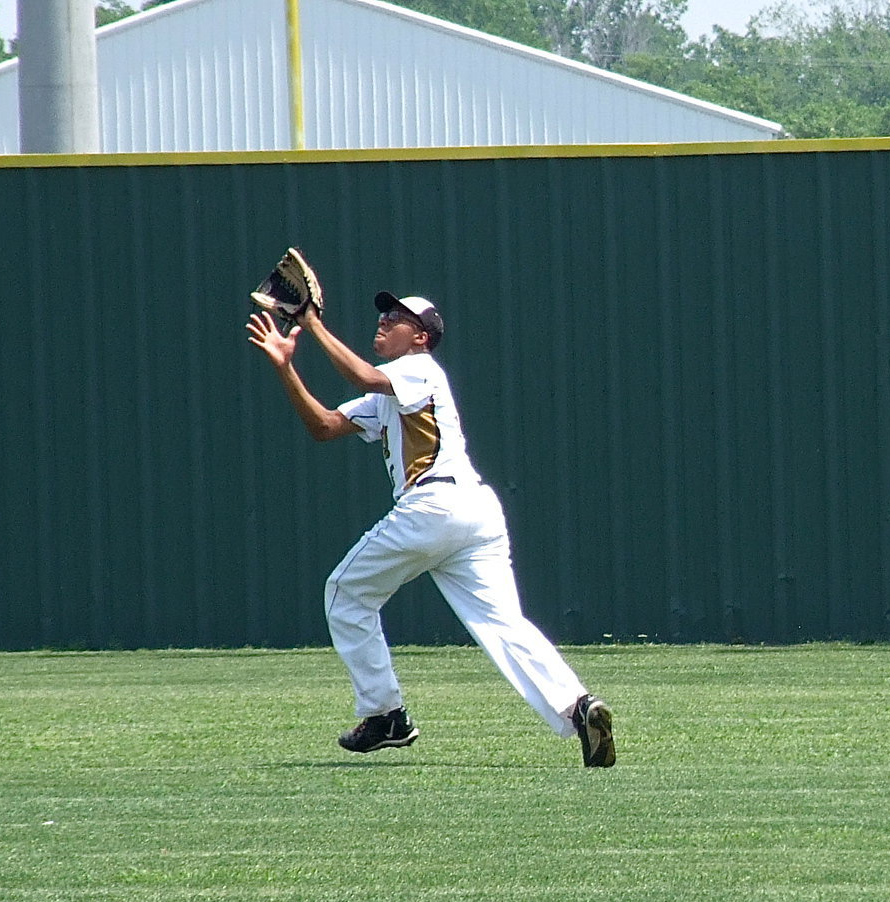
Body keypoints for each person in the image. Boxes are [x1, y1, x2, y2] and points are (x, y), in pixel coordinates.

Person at [246, 290, 616, 767]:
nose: (383, 321)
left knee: (345, 592)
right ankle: (578, 707)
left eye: (396, 317)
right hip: (473, 513)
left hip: (434, 506)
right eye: (383, 314)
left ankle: (385, 715)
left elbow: (363, 375)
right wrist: (285, 367)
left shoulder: (419, 369)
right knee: (503, 623)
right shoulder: (388, 393)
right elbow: (324, 427)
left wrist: (312, 322)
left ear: (420, 337)